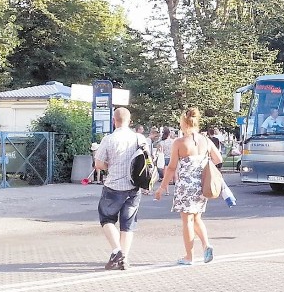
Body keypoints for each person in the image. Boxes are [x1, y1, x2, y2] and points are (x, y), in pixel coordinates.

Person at [154, 107, 223, 265]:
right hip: (201, 184)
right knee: (197, 217)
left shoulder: (179, 142)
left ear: (184, 123)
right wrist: (203, 163)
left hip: (185, 185)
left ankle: (189, 256)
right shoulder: (206, 141)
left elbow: (171, 168)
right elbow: (218, 159)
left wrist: (162, 187)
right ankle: (206, 246)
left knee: (187, 221)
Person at [94, 107, 147, 271]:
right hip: (134, 187)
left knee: (106, 218)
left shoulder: (108, 139)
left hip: (113, 187)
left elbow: (98, 164)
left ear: (113, 120)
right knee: (128, 224)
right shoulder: (139, 138)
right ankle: (124, 259)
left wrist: (111, 165)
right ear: (130, 121)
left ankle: (117, 251)